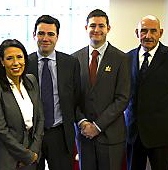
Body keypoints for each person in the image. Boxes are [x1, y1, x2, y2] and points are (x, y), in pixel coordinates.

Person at [71, 9, 130, 170]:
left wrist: (97, 126)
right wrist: (83, 122)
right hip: (84, 137)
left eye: (101, 26)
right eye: (92, 25)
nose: (96, 30)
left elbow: (122, 98)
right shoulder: (74, 59)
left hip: (111, 137)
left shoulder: (121, 58)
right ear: (86, 28)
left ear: (108, 28)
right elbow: (71, 97)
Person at [28, 15, 81, 170]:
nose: (45, 38)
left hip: (60, 133)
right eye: (41, 33)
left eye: (50, 34)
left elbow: (76, 97)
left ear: (57, 37)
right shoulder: (25, 63)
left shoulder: (70, 63)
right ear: (34, 35)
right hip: (32, 135)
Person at [0, 39, 44, 170]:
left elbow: (40, 118)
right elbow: (1, 130)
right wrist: (26, 155)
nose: (16, 62)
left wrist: (34, 151)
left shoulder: (31, 80)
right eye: (9, 58)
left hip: (32, 155)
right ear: (2, 61)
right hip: (7, 158)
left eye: (19, 57)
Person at [125, 15, 168, 170]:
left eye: (153, 31)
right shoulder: (126, 58)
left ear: (160, 32)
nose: (148, 36)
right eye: (143, 31)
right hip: (133, 133)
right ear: (137, 33)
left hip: (161, 135)